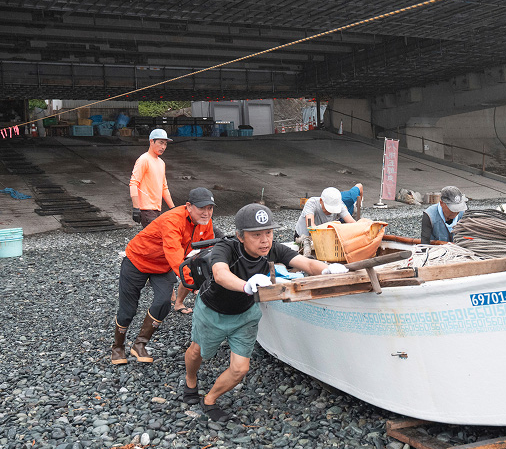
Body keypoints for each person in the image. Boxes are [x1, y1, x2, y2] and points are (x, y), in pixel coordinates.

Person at [184, 203, 348, 422]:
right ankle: (190, 380)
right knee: (197, 352)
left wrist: (327, 269)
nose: (265, 240)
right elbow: (220, 274)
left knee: (240, 369)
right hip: (213, 310)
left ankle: (210, 400)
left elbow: (306, 264)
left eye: (269, 233)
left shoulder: (273, 249)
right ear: (240, 236)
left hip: (246, 313)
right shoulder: (226, 248)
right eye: (256, 235)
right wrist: (245, 285)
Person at [111, 187, 215, 365]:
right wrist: (194, 284)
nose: (206, 213)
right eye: (202, 208)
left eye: (210, 208)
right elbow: (175, 256)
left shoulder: (205, 222)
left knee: (163, 302)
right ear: (189, 206)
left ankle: (139, 345)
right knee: (128, 310)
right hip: (137, 260)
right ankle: (118, 347)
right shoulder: (172, 220)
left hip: (162, 266)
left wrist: (214, 274)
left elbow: (209, 250)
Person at [130, 128, 175, 227]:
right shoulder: (144, 160)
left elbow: (164, 188)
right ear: (151, 142)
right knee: (156, 235)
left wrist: (173, 208)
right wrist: (136, 208)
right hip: (146, 209)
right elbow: (133, 183)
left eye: (165, 144)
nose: (163, 147)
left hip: (157, 209)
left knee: (155, 236)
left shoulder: (161, 163)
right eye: (161, 143)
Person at [294, 187, 356, 257]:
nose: (330, 212)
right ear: (321, 201)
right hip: (303, 237)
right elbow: (310, 224)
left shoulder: (339, 205)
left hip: (325, 238)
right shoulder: (312, 203)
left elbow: (352, 223)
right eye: (328, 209)